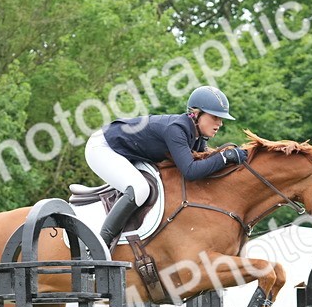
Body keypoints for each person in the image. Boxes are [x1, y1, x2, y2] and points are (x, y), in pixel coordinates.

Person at [84, 85, 245, 247]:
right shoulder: (177, 129)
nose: (220, 123)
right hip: (102, 148)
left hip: (126, 151)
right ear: (196, 114)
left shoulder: (197, 137)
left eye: (221, 118)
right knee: (140, 189)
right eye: (215, 117)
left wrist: (228, 158)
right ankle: (100, 244)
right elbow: (190, 171)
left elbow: (203, 166)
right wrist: (224, 157)